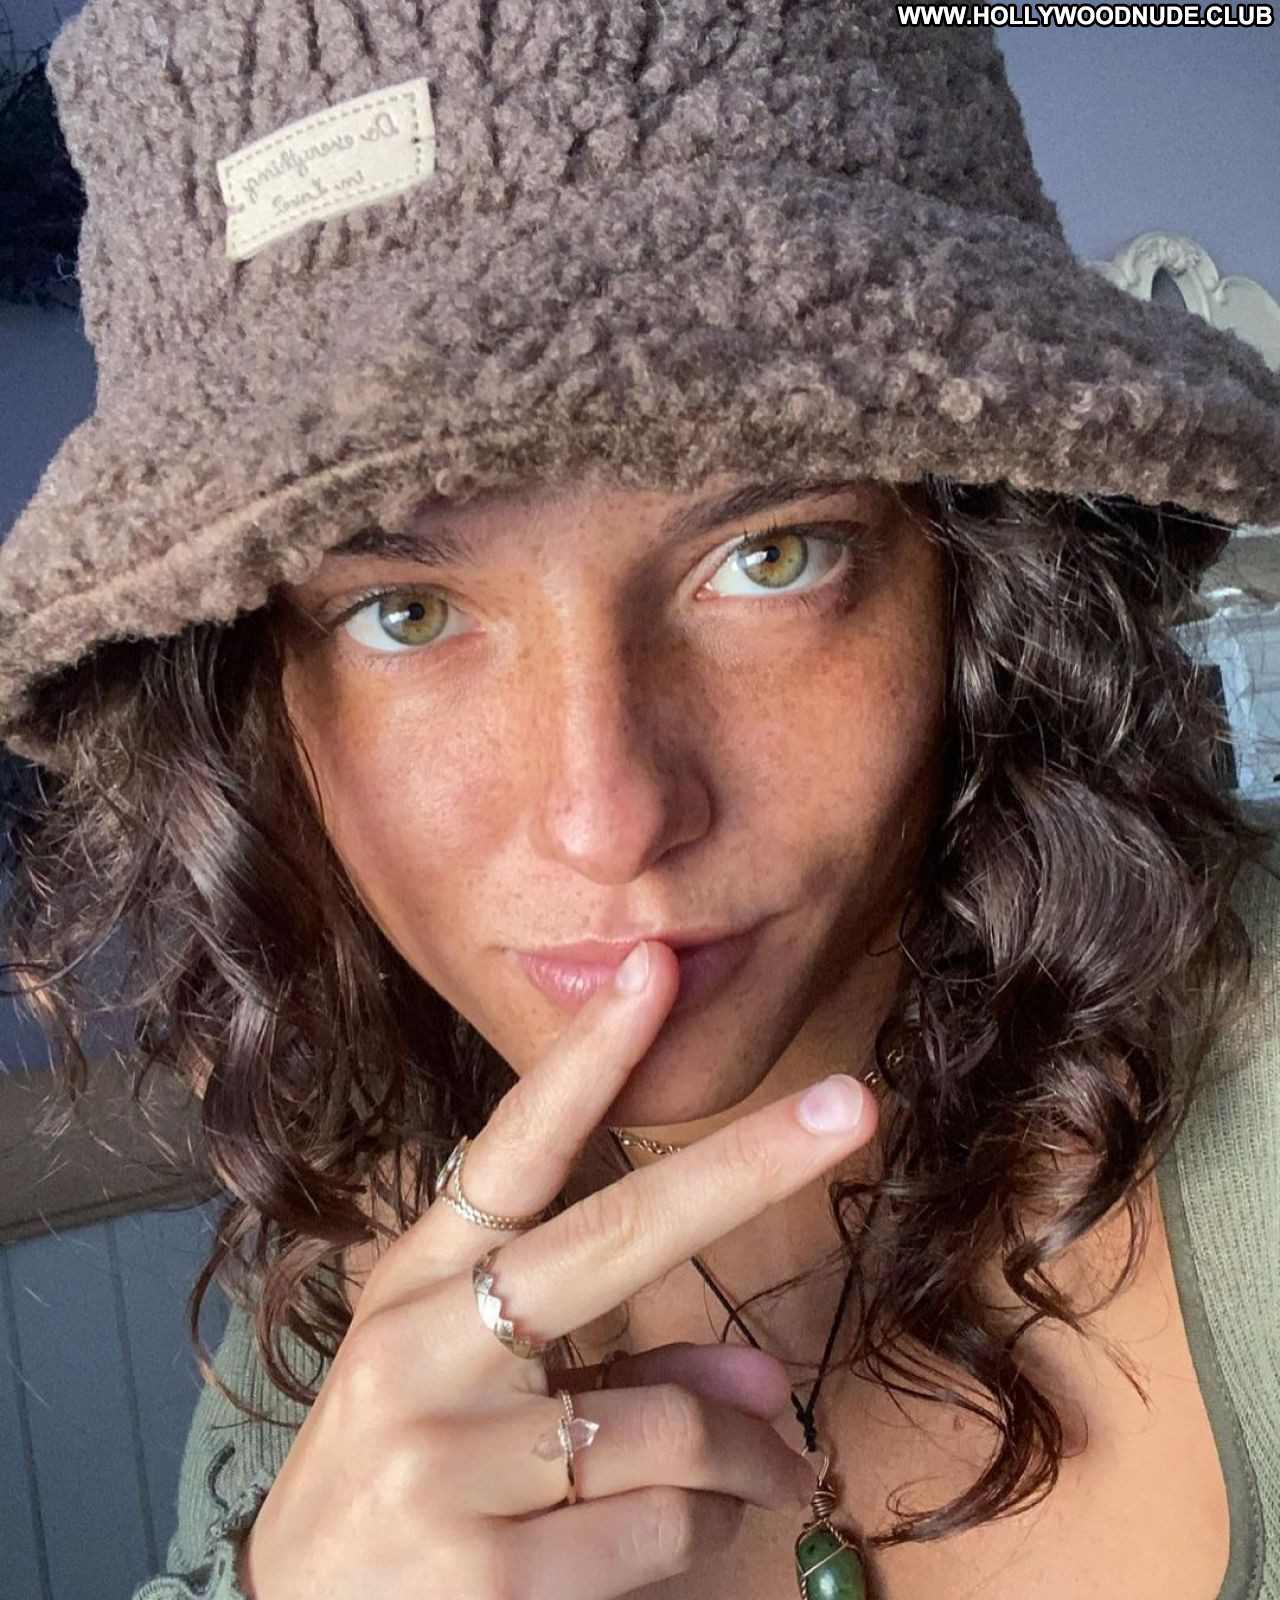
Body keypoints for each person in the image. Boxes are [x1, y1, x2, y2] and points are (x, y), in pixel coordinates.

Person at [1, 3, 1277, 1599]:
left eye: (772, 556)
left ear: (978, 576)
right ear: (249, 704)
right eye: (405, 612)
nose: (609, 818)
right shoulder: (342, 1309)